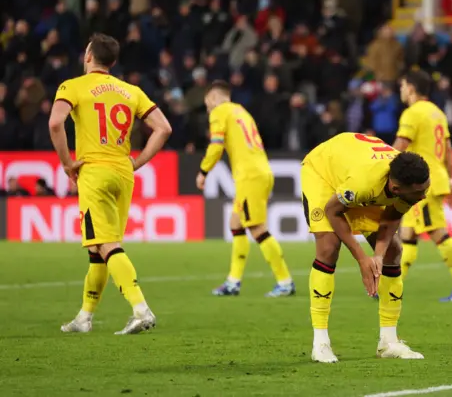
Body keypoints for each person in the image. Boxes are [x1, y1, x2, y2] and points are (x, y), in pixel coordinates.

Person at [50, 33, 172, 334]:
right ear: (113, 62)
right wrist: (137, 161)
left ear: (88, 56)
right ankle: (85, 317)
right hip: (122, 173)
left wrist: (67, 163)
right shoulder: (131, 91)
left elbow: (55, 123)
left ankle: (141, 309)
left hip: (94, 172)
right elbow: (163, 128)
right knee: (98, 250)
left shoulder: (73, 86)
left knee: (106, 244)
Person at [301, 132, 430, 363]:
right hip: (323, 172)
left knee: (392, 251)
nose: (424, 195)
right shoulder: (365, 183)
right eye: (419, 192)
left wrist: (378, 255)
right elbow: (334, 211)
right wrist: (362, 259)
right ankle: (320, 343)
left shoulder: (409, 179)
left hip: (355, 173)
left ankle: (388, 342)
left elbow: (391, 217)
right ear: (397, 188)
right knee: (329, 247)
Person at [196, 80, 295, 298]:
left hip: (250, 176)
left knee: (257, 228)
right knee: (236, 223)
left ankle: (285, 281)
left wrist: (203, 171)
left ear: (212, 98)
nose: (208, 108)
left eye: (207, 103)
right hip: (258, 172)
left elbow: (215, 146)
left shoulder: (220, 111)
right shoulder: (241, 112)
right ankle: (233, 282)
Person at [393, 71, 452, 302]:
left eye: (402, 85)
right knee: (407, 235)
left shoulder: (412, 113)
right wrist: (449, 180)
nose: (401, 90)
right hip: (433, 179)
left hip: (421, 184)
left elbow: (401, 144)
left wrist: (382, 168)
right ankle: (392, 287)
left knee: (438, 233)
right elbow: (448, 150)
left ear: (410, 88)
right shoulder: (437, 113)